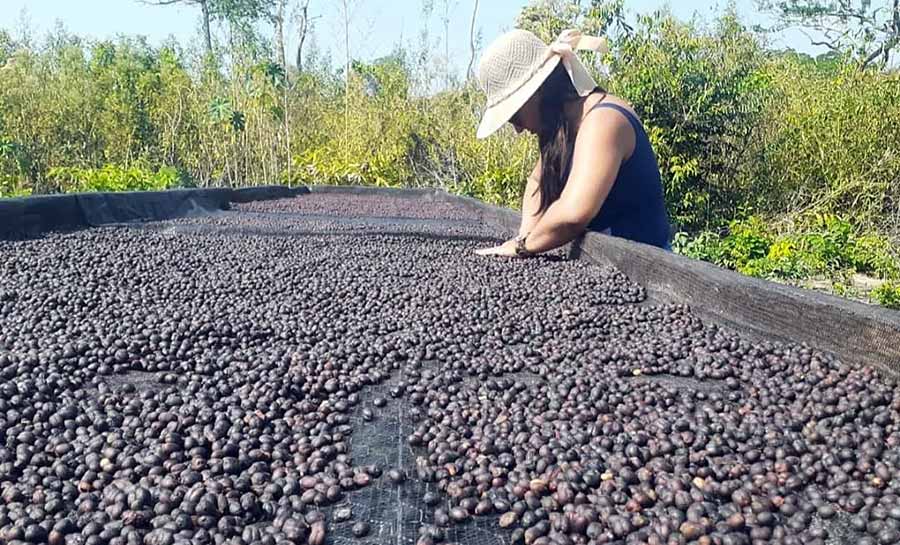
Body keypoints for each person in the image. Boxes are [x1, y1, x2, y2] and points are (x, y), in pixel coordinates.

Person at [473, 29, 671, 258]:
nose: (517, 129)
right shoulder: (565, 129)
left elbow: (573, 213)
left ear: (537, 93)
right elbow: (536, 182)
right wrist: (526, 233)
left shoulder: (604, 121)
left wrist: (522, 247)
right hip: (601, 263)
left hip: (646, 270)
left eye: (515, 116)